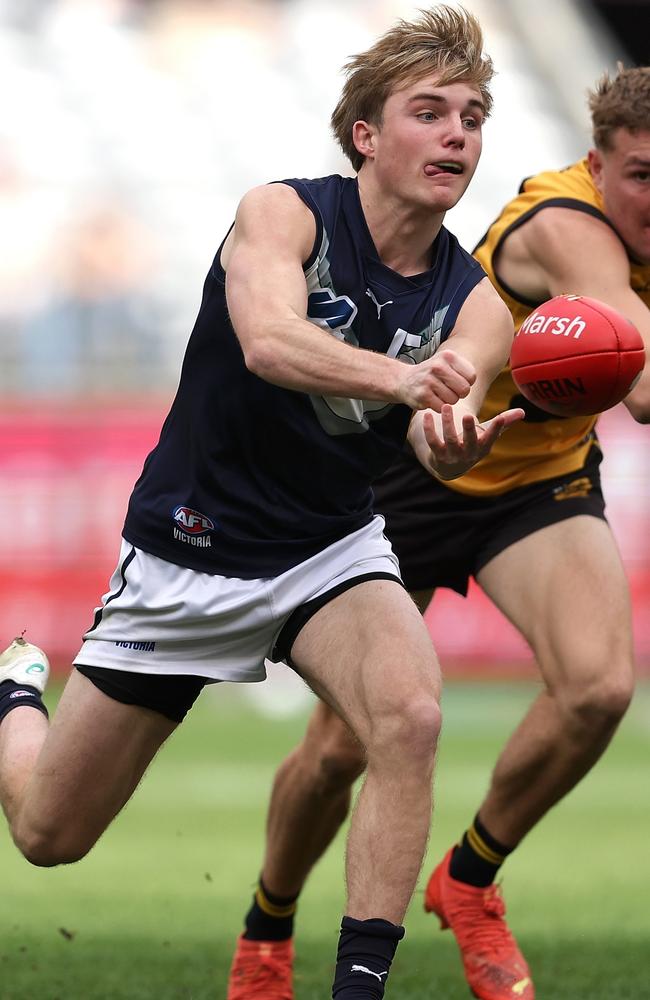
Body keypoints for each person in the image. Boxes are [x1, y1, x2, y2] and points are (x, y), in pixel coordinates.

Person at [0, 8, 523, 999]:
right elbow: (270, 345)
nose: (458, 132)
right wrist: (408, 386)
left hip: (326, 548)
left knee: (407, 714)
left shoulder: (477, 295)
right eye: (430, 111)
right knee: (47, 835)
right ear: (366, 135)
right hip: (187, 553)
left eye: (473, 115)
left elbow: (433, 421)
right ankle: (14, 692)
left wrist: (446, 434)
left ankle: (356, 987)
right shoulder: (283, 213)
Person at [225, 64, 650, 1000]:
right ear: (598, 164)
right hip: (416, 471)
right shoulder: (567, 227)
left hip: (534, 479)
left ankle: (469, 879)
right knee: (343, 750)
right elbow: (644, 383)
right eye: (642, 175)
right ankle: (267, 929)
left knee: (598, 688)